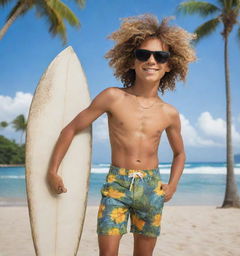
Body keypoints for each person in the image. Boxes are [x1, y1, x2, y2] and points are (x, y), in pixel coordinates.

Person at [47, 14, 197, 256]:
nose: (151, 61)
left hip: (151, 187)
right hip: (117, 184)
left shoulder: (169, 113)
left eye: (160, 56)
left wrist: (172, 186)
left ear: (169, 65)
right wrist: (53, 170)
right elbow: (71, 128)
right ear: (131, 61)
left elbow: (179, 154)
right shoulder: (112, 97)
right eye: (143, 54)